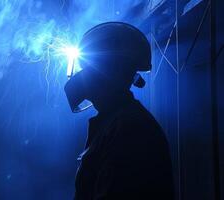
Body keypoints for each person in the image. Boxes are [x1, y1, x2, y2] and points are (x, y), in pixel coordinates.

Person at [64, 22, 174, 200]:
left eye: (86, 69)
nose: (80, 76)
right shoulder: (115, 123)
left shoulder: (130, 128)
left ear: (105, 73)